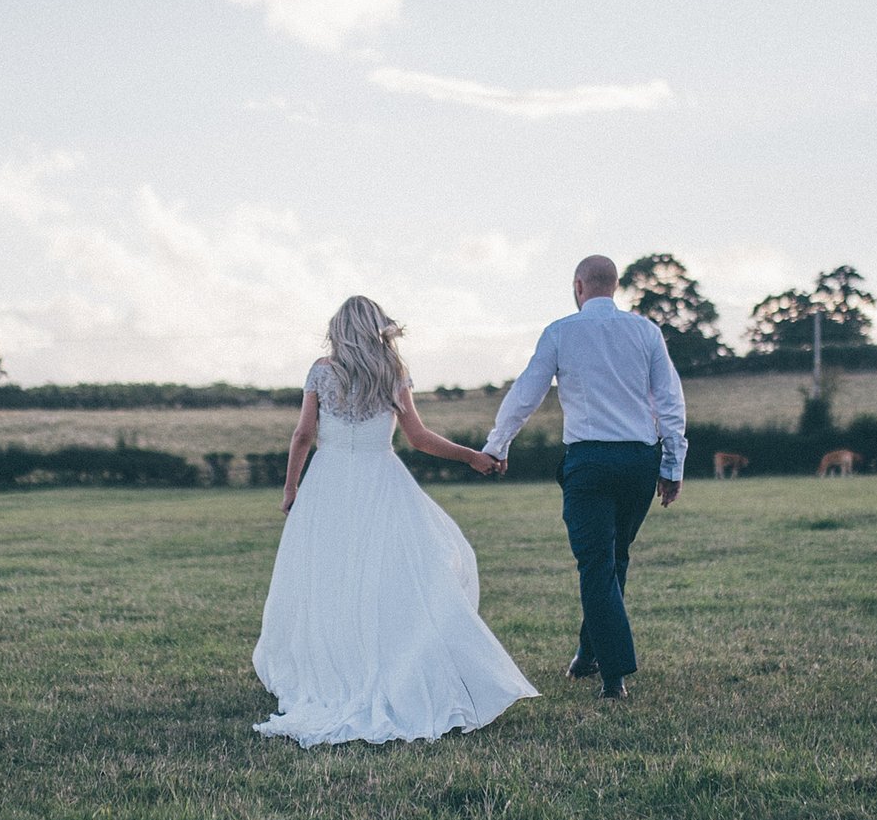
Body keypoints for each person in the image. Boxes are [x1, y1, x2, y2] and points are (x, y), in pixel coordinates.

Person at [250, 296, 539, 747]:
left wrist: (291, 489)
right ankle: (385, 663)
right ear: (378, 327)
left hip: (327, 483)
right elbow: (419, 438)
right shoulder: (392, 371)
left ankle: (336, 668)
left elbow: (303, 434)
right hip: (379, 479)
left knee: (327, 579)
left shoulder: (321, 371)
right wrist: (472, 457)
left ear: (338, 328)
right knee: (394, 575)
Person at [483, 255, 686, 699]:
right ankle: (588, 654)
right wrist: (673, 465)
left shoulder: (560, 332)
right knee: (614, 559)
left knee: (598, 565)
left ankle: (613, 677)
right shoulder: (646, 332)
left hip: (589, 462)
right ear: (614, 287)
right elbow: (670, 401)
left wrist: (497, 445)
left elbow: (526, 394)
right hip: (639, 460)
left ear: (579, 286)